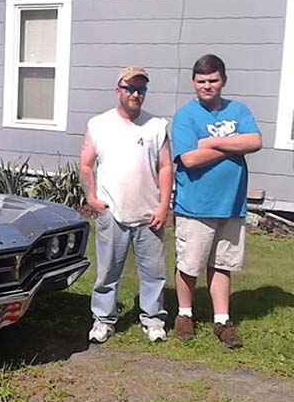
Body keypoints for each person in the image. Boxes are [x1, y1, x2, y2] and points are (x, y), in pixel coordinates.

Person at [171, 54, 262, 348]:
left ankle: (221, 320)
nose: (207, 86)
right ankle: (184, 314)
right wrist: (233, 145)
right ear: (193, 82)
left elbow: (255, 141)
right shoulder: (186, 116)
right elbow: (189, 158)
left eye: (213, 80)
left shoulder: (239, 109)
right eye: (201, 81)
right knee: (189, 263)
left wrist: (210, 142)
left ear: (223, 79)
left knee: (222, 263)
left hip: (231, 204)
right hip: (195, 204)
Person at [79, 67, 173, 344]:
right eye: (129, 88)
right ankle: (103, 320)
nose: (135, 94)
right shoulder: (99, 124)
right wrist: (91, 198)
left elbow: (166, 167)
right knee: (107, 272)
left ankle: (154, 320)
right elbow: (85, 164)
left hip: (149, 213)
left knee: (154, 273)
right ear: (117, 90)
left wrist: (163, 206)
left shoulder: (157, 126)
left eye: (140, 89)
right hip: (112, 213)